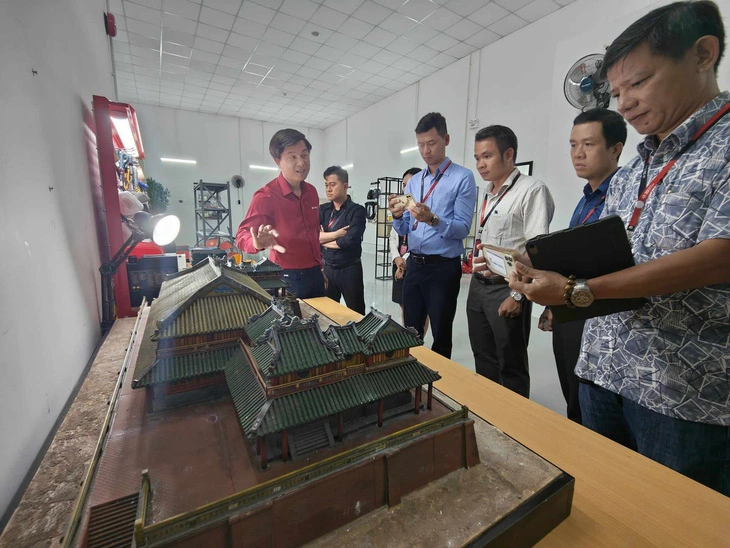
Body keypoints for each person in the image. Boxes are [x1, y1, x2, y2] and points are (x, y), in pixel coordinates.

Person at [509, 1, 730, 495]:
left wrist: (577, 291)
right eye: (616, 91)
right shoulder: (633, 170)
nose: (624, 103)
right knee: (602, 502)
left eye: (639, 83)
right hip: (604, 371)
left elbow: (717, 255)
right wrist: (545, 265)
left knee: (672, 522)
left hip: (681, 396)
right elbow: (624, 251)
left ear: (702, 54)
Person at [538, 109, 627, 423]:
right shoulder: (588, 197)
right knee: (572, 393)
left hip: (601, 310)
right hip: (572, 304)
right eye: (573, 145)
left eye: (588, 144)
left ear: (615, 148)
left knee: (589, 403)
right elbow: (573, 259)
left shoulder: (622, 196)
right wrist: (555, 305)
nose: (577, 153)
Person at [468, 125, 554, 398]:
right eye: (477, 158)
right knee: (483, 356)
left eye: (487, 156)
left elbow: (537, 249)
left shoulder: (531, 190)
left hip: (508, 288)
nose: (481, 164)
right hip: (479, 286)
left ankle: (513, 425)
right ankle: (489, 413)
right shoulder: (487, 192)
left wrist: (517, 296)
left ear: (509, 154)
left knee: (511, 362)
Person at [388, 113, 477, 358]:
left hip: (443, 269)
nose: (425, 150)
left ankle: (438, 388)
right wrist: (396, 217)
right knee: (410, 331)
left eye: (431, 143)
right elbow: (405, 229)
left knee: (441, 333)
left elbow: (462, 229)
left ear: (446, 139)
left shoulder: (462, 178)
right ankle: (409, 380)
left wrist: (433, 219)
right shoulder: (414, 182)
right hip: (415, 264)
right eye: (421, 144)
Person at [236, 128, 325, 298]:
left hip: (316, 272)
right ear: (278, 161)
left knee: (320, 321)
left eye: (304, 155)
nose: (301, 162)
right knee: (295, 323)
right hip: (287, 277)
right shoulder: (266, 196)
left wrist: (319, 270)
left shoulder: (312, 192)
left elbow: (313, 236)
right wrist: (256, 243)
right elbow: (241, 235)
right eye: (293, 157)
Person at [319, 166, 366, 314]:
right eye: (326, 185)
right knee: (328, 312)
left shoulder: (357, 211)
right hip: (327, 269)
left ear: (345, 186)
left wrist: (323, 239)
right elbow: (313, 237)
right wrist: (336, 235)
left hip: (349, 269)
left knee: (356, 311)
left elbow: (349, 241)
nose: (328, 189)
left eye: (332, 185)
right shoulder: (323, 210)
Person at [390, 167, 429, 334]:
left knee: (421, 307)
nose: (406, 189)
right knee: (403, 302)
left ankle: (418, 338)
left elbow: (418, 240)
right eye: (404, 185)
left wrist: (403, 262)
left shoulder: (425, 212)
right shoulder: (401, 210)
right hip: (399, 261)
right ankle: (408, 334)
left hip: (412, 262)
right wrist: (397, 260)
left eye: (410, 184)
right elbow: (394, 238)